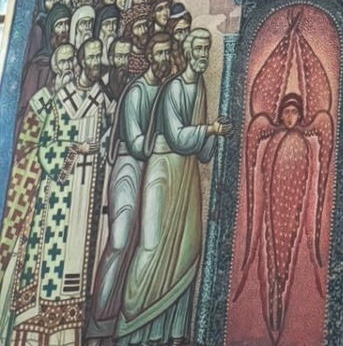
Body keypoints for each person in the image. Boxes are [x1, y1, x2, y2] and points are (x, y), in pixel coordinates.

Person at [115, 29, 232, 346]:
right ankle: (131, 327)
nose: (204, 54)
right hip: (164, 172)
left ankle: (171, 332)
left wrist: (214, 135)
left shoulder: (201, 86)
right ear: (188, 51)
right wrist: (210, 130)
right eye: (199, 48)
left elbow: (201, 152)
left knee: (187, 248)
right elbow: (179, 137)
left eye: (207, 48)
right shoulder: (174, 88)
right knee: (152, 247)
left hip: (187, 175)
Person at [13, 39, 112, 343]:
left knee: (78, 264)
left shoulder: (103, 100)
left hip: (88, 196)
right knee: (52, 262)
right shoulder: (60, 100)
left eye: (99, 56)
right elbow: (45, 148)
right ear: (81, 62)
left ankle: (68, 337)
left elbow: (111, 140)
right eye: (91, 57)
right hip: (58, 196)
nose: (96, 62)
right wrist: (77, 148)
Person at [87, 31, 172, 341]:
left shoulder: (163, 89)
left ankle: (119, 322)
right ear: (149, 56)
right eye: (159, 53)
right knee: (120, 242)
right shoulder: (137, 92)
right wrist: (167, 141)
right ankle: (97, 322)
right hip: (128, 168)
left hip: (149, 171)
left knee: (140, 245)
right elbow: (136, 143)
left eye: (168, 53)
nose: (164, 59)